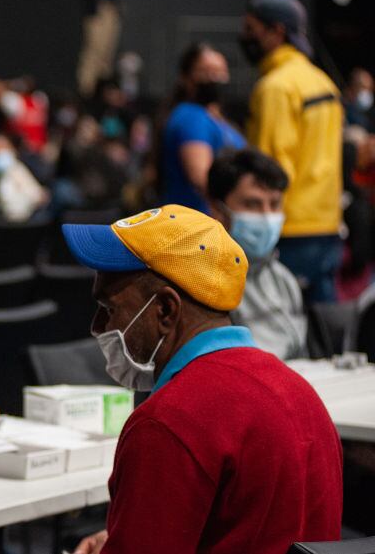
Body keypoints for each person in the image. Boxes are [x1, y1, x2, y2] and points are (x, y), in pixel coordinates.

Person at [65, 205, 342, 554]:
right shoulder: (299, 393)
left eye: (108, 309)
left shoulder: (167, 423)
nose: (98, 327)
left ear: (165, 310)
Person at [242, 0, 343, 303]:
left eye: (251, 29)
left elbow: (269, 166)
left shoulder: (275, 87)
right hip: (328, 224)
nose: (245, 37)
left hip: (289, 229)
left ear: (277, 32)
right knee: (324, 328)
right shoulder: (324, 82)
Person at [207, 149, 305, 359]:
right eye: (252, 204)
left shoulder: (283, 279)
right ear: (218, 211)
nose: (267, 216)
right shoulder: (203, 286)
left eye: (275, 204)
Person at [161, 43, 245, 212]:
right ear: (186, 77)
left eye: (221, 72)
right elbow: (201, 179)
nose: (215, 78)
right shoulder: (191, 117)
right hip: (200, 225)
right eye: (207, 72)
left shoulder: (218, 120)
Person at [76, 0, 122, 98]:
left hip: (110, 15)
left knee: (107, 52)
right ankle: (87, 89)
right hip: (96, 17)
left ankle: (103, 87)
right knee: (94, 50)